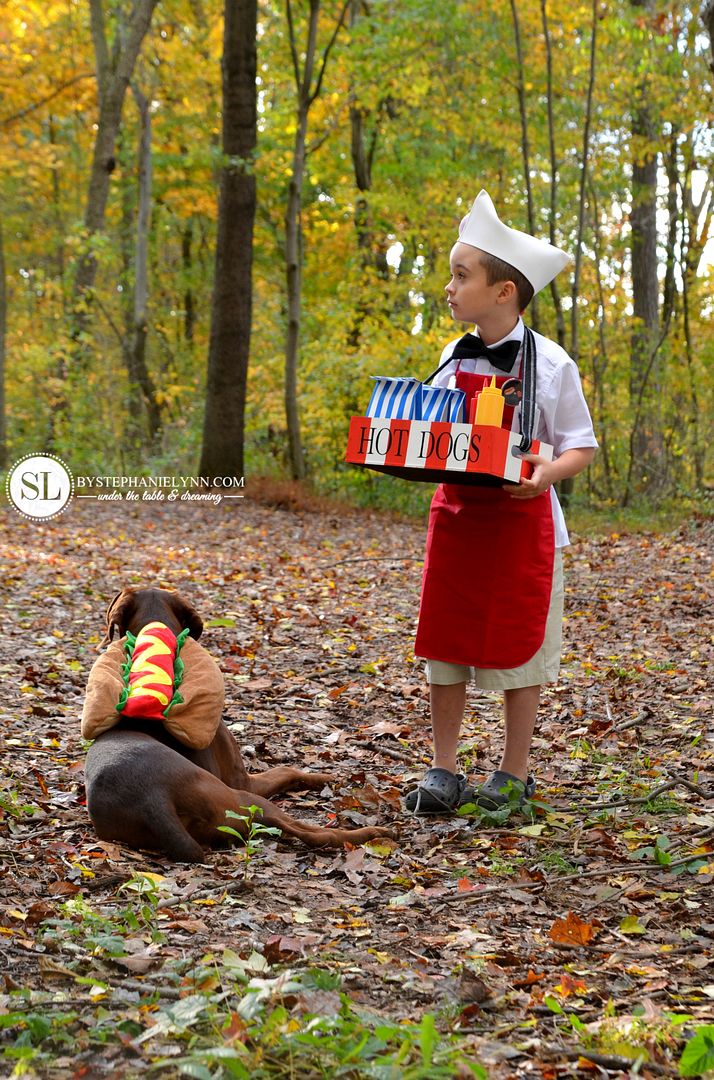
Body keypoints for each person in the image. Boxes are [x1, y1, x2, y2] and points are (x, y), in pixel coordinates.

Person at [405, 189, 597, 815]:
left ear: (503, 292)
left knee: (522, 647)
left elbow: (581, 446)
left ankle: (513, 771)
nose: (449, 287)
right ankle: (443, 767)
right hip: (459, 521)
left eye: (461, 275)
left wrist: (547, 473)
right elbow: (435, 430)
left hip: (525, 525)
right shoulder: (450, 356)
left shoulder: (554, 363)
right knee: (447, 642)